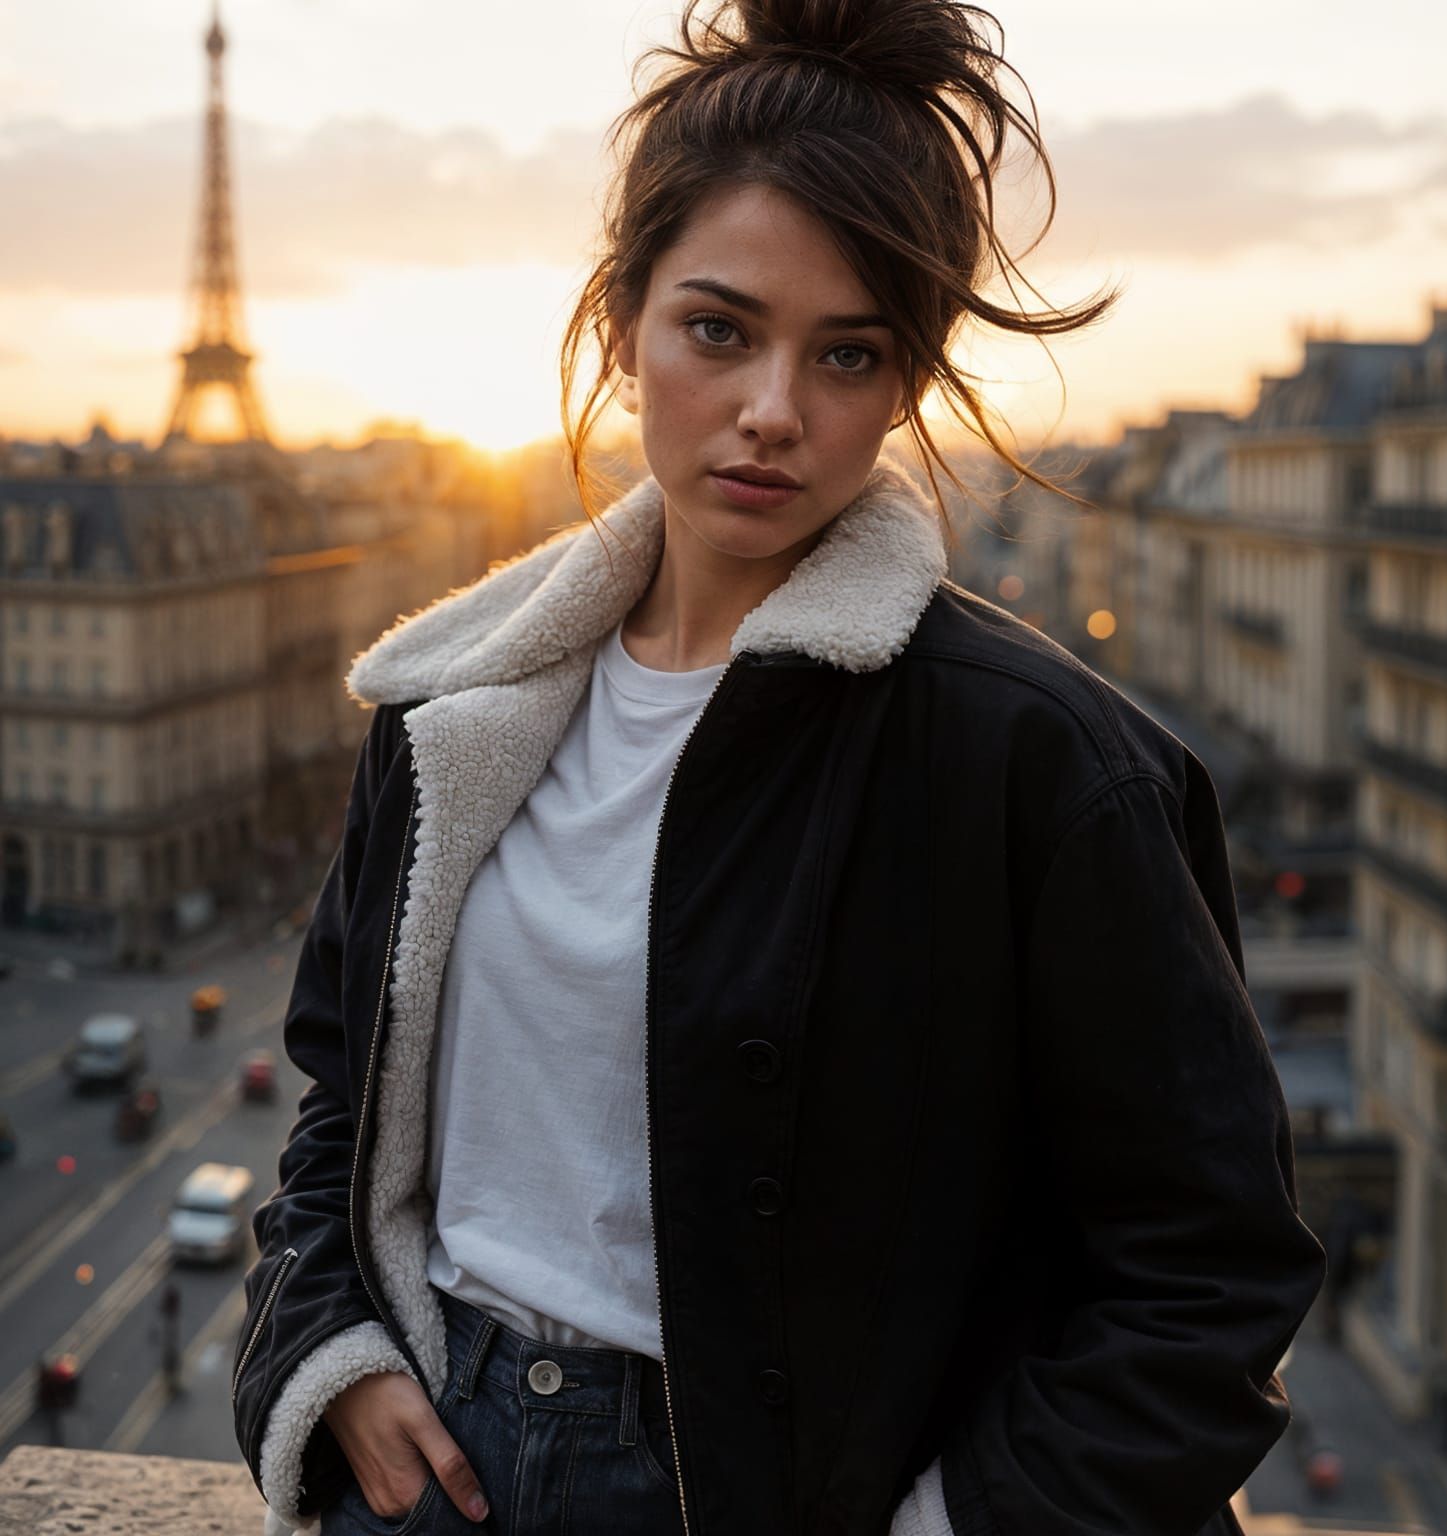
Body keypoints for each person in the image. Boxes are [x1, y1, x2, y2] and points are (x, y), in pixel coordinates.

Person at [230, 0, 1327, 1532]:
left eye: (848, 354)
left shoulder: (1042, 763)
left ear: (908, 385)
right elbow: (343, 1104)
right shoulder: (451, 705)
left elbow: (1211, 1272)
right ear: (624, 325)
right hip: (432, 1466)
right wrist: (326, 1351)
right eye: (719, 329)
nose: (771, 412)